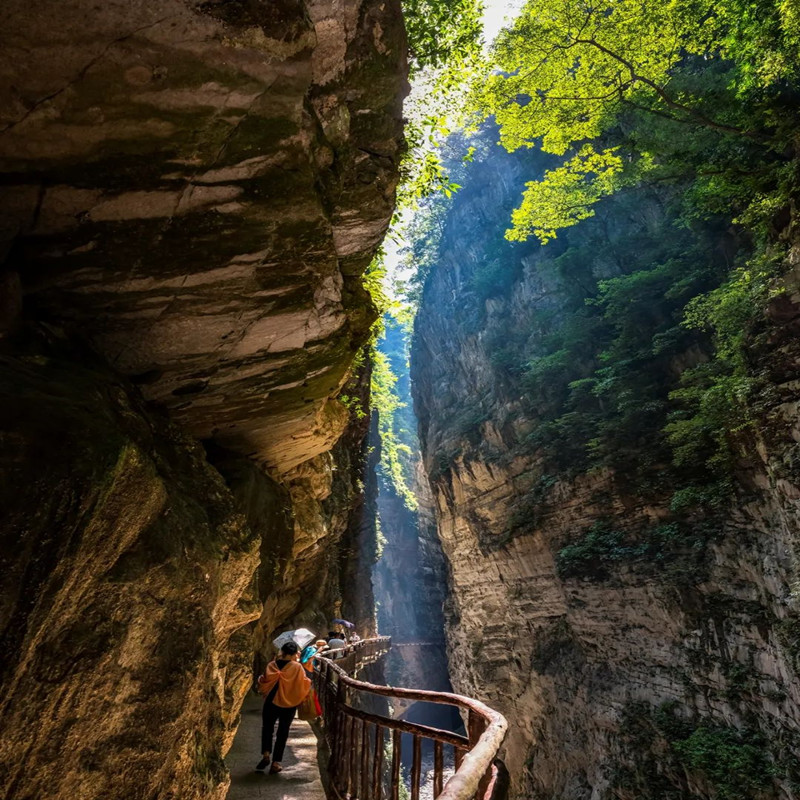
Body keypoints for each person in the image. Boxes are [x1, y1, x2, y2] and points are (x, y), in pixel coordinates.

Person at [255, 641, 311, 774]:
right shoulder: (297, 667)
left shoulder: (272, 665)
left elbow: (263, 680)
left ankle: (266, 755)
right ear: (293, 654)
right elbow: (304, 683)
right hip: (289, 703)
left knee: (267, 728)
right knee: (283, 732)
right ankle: (276, 763)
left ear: (283, 651)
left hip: (271, 702)